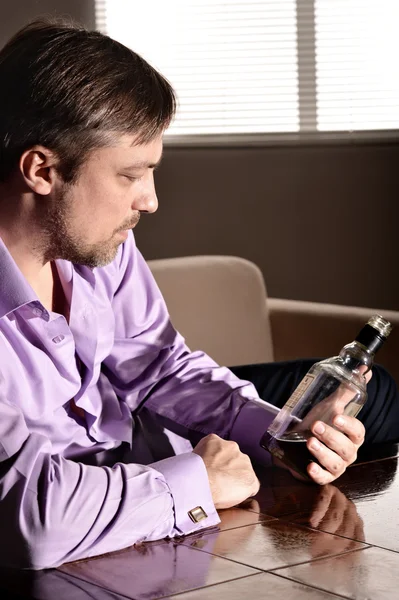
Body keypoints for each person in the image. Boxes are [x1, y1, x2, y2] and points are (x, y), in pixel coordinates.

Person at [0, 18, 397, 571]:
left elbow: (161, 367)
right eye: (131, 175)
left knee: (377, 400)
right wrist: (192, 483)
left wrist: (282, 436)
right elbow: (31, 521)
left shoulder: (100, 249)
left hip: (140, 479)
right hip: (88, 532)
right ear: (41, 169)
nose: (151, 200)